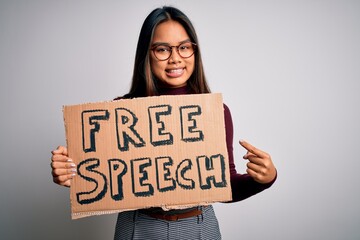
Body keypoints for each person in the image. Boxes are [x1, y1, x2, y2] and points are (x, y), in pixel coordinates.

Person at [51, 6, 277, 239]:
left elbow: (224, 184)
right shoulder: (119, 113)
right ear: (146, 54)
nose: (175, 58)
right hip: (139, 226)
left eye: (184, 47)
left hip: (199, 226)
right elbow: (103, 174)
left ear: (194, 51)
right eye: (162, 49)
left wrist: (264, 179)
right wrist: (71, 174)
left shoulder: (215, 112)